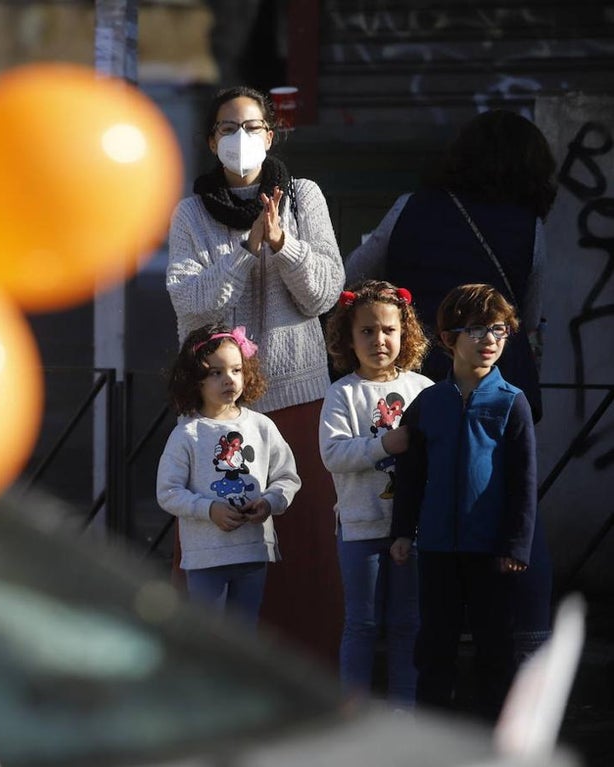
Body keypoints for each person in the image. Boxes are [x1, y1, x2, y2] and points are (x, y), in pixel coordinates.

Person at [165, 85, 345, 666]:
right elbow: (191, 305)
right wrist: (244, 250)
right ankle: (212, 675)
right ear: (211, 138)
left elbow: (324, 292)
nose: (239, 139)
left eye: (251, 127)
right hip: (218, 408)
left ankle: (310, 674)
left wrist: (284, 244)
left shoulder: (303, 196)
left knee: (302, 543)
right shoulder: (191, 213)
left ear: (271, 134)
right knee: (215, 545)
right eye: (226, 128)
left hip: (296, 398)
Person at [345, 109, 557, 425]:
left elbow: (353, 274)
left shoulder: (411, 206)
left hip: (414, 375)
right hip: (491, 385)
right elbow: (526, 315)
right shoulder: (530, 228)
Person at [389, 283, 537, 722]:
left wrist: (516, 546)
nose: (490, 339)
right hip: (436, 548)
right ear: (450, 338)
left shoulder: (513, 403)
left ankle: (498, 733)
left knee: (495, 646)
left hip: (492, 551)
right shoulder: (429, 403)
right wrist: (402, 532)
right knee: (435, 644)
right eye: (477, 329)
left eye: (499, 329)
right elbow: (411, 475)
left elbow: (524, 481)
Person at [318, 280, 433, 711]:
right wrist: (385, 444)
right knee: (362, 624)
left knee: (407, 624)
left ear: (404, 334)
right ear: (349, 337)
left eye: (388, 329)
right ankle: (353, 714)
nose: (379, 339)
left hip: (413, 529)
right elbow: (332, 454)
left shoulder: (423, 388)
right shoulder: (342, 392)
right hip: (360, 526)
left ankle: (404, 712)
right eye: (367, 331)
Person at [157, 323, 301, 627]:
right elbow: (168, 492)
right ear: (195, 380)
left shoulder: (262, 426)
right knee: (209, 640)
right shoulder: (188, 433)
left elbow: (287, 478)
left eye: (236, 370)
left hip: (253, 552)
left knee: (243, 637)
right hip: (206, 557)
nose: (229, 379)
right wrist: (209, 509)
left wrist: (269, 503)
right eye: (216, 372)